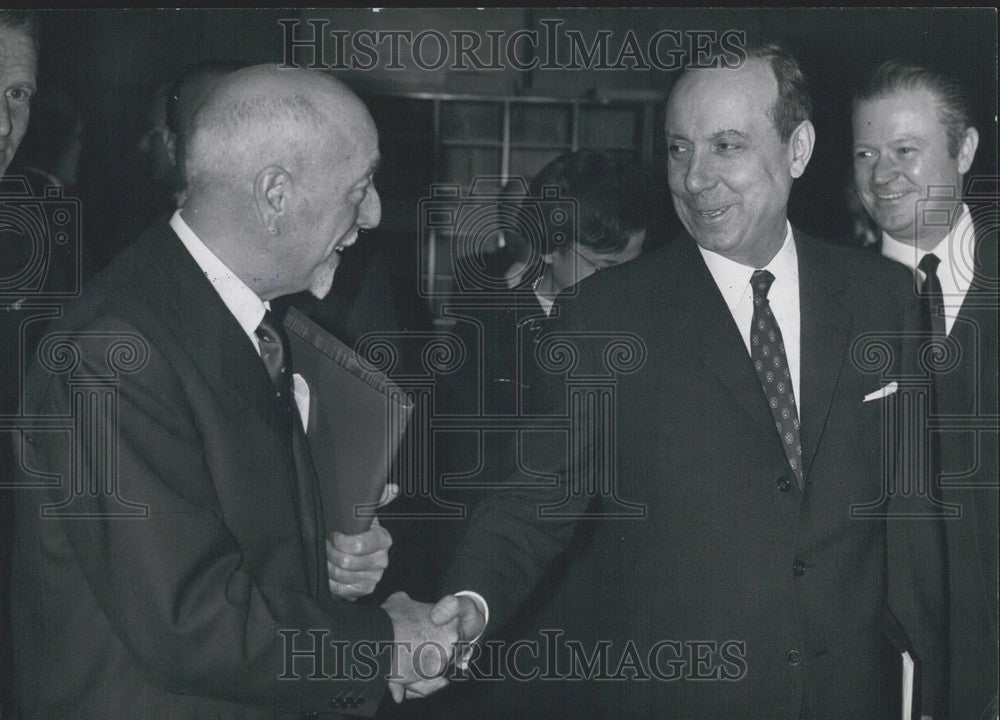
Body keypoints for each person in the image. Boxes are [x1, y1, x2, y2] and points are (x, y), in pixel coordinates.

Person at [436, 45, 947, 719]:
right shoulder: (608, 314)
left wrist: (943, 678)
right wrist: (468, 603)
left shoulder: (882, 297)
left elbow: (918, 518)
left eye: (726, 146)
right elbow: (536, 497)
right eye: (679, 149)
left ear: (797, 149)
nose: (696, 178)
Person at [9, 65, 462, 718]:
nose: (374, 214)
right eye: (359, 188)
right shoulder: (114, 349)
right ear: (276, 195)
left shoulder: (241, 318)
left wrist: (324, 563)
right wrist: (385, 645)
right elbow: (190, 621)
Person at [852, 60, 998, 720]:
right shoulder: (826, 305)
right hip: (878, 677)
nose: (882, 176)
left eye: (905, 151)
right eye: (866, 153)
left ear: (964, 150)